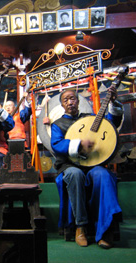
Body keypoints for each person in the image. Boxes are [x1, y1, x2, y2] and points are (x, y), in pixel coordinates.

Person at [50, 87, 123, 249]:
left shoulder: (90, 118)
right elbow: (56, 145)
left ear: (78, 101)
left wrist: (113, 103)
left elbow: (111, 124)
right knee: (75, 175)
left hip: (94, 164)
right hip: (70, 165)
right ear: (62, 105)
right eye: (66, 100)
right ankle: (80, 226)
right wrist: (78, 144)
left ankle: (105, 229)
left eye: (73, 98)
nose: (70, 102)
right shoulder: (58, 124)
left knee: (103, 175)